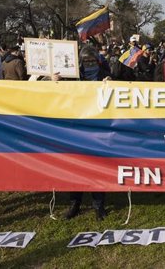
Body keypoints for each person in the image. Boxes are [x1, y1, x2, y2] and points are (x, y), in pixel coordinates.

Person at [64, 46, 110, 220]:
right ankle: (74, 204)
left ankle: (98, 205)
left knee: (98, 167)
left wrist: (110, 82)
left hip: (97, 128)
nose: (89, 64)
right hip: (76, 127)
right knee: (75, 167)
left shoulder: (104, 74)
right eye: (86, 61)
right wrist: (55, 80)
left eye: (92, 61)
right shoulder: (72, 77)